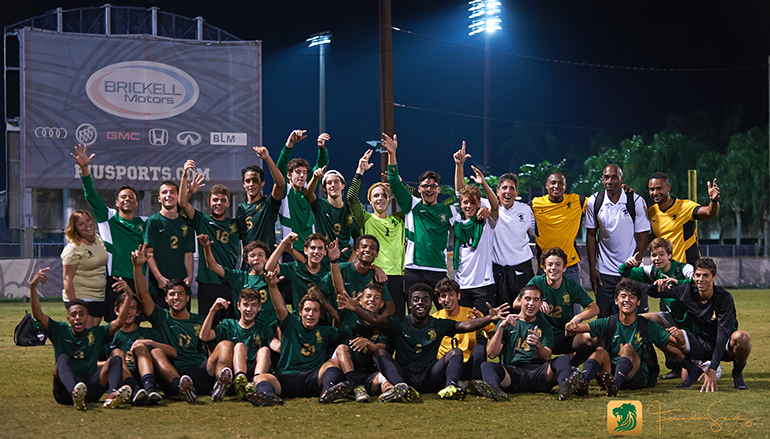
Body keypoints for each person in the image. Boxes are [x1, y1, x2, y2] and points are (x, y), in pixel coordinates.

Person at [336, 282, 509, 401]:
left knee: (455, 352)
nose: (421, 303)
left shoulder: (439, 324)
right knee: (379, 353)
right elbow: (374, 318)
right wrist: (355, 308)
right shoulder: (400, 322)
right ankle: (400, 388)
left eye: (425, 300)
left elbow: (465, 325)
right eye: (416, 299)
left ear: (430, 305)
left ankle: (450, 388)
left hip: (430, 376)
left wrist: (489, 318)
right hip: (404, 375)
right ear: (410, 304)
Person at [566, 279, 703, 395]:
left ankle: (615, 386)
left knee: (628, 348)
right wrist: (571, 325)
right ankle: (583, 384)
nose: (627, 300)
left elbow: (673, 343)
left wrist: (679, 338)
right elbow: (580, 328)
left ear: (638, 302)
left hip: (636, 377)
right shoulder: (609, 322)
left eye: (632, 297)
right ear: (616, 301)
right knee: (599, 351)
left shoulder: (646, 325)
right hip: (609, 374)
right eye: (623, 296)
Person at [30, 267, 133, 410]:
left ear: (87, 317)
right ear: (68, 318)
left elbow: (119, 322)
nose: (77, 318)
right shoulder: (59, 330)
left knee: (116, 360)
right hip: (64, 394)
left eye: (81, 314)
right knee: (62, 359)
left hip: (90, 389)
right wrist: (33, 287)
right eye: (74, 315)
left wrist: (128, 295)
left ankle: (112, 396)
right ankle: (74, 392)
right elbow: (39, 316)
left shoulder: (96, 333)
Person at [647, 258, 752, 392]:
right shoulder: (687, 291)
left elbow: (723, 333)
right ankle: (692, 369)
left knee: (742, 337)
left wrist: (713, 368)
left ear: (714, 277)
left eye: (705, 275)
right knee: (660, 335)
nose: (701, 279)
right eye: (698, 275)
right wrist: (657, 284)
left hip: (723, 346)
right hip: (699, 343)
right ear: (693, 276)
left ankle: (737, 373)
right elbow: (652, 293)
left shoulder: (724, 298)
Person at [248, 271, 350, 406]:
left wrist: (349, 310)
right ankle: (268, 396)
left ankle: (328, 391)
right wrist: (272, 286)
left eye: (315, 310)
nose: (310, 314)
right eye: (307, 310)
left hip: (313, 378)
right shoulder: (290, 323)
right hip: (288, 377)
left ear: (320, 314)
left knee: (333, 363)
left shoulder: (326, 331)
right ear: (300, 312)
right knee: (260, 378)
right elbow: (279, 307)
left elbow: (347, 333)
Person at [131, 244, 215, 403]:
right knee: (156, 352)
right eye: (172, 295)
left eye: (180, 294)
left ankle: (222, 384)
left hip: (199, 372)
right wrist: (137, 267)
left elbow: (211, 350)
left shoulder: (201, 320)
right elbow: (142, 294)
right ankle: (180, 387)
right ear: (166, 299)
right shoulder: (161, 317)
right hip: (171, 375)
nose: (176, 298)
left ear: (188, 298)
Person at [72, 144, 146, 321]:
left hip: (138, 279)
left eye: (131, 197)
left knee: (134, 321)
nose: (127, 199)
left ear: (136, 203)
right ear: (117, 202)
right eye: (123, 197)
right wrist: (84, 168)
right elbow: (90, 194)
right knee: (115, 322)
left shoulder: (145, 222)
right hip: (114, 279)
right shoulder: (108, 217)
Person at [382, 133, 460, 294]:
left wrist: (459, 166)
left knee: (442, 313)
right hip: (413, 269)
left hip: (438, 269)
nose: (429, 189)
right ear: (419, 189)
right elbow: (394, 182)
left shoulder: (448, 211)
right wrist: (392, 153)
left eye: (432, 186)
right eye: (425, 186)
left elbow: (465, 202)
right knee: (414, 313)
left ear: (438, 190)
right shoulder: (412, 204)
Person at [476, 284, 582, 401]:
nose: (531, 303)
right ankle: (495, 390)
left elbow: (547, 357)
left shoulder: (545, 327)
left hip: (538, 374)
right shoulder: (507, 324)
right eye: (527, 299)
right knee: (487, 365)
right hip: (512, 374)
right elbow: (491, 354)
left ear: (541, 304)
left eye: (536, 300)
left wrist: (538, 345)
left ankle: (565, 387)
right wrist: (500, 327)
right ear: (519, 301)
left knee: (563, 359)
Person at [620, 237, 694, 380]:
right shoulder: (653, 271)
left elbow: (696, 283)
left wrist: (677, 282)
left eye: (661, 254)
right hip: (671, 316)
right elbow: (624, 272)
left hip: (692, 321)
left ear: (670, 255)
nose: (657, 258)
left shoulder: (684, 268)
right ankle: (651, 367)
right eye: (654, 255)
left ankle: (693, 362)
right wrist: (628, 264)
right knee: (642, 322)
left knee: (689, 378)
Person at [585, 164, 651, 317]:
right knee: (604, 320)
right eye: (606, 177)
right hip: (604, 272)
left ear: (622, 179)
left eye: (614, 177)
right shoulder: (594, 201)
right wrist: (592, 269)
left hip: (631, 271)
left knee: (637, 319)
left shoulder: (635, 201)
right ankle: (604, 342)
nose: (610, 181)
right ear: (602, 179)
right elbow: (590, 235)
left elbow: (643, 237)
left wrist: (632, 270)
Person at [179, 159, 239, 324]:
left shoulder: (235, 224)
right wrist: (185, 176)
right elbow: (182, 203)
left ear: (228, 203)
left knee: (229, 325)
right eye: (215, 200)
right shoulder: (201, 220)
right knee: (207, 324)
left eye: (222, 200)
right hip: (207, 282)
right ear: (209, 202)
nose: (218, 203)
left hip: (228, 281)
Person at [347, 149, 407, 315]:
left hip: (398, 277)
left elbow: (416, 199)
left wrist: (398, 184)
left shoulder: (400, 218)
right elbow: (351, 198)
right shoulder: (366, 218)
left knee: (398, 320)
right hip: (375, 274)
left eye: (384, 195)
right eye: (376, 196)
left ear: (390, 199)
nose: (380, 198)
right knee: (374, 318)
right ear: (370, 200)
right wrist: (360, 171)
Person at [525, 247, 599, 366]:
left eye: (558, 264)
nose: (554, 268)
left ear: (564, 268)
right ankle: (537, 367)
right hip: (541, 336)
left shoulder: (571, 286)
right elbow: (516, 303)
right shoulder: (537, 282)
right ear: (544, 268)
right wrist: (536, 302)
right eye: (550, 264)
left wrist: (577, 318)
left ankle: (572, 367)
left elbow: (595, 308)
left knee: (594, 338)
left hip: (565, 334)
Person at [198, 291, 276, 402]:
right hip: (230, 372)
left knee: (265, 350)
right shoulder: (228, 325)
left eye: (253, 305)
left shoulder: (263, 328)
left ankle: (256, 384)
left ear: (259, 307)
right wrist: (213, 310)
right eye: (246, 305)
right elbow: (204, 337)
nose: (249, 309)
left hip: (252, 372)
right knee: (237, 346)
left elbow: (276, 345)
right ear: (238, 306)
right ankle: (232, 380)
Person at [105, 289, 175, 405]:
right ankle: (136, 391)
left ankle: (150, 390)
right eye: (125, 307)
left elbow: (173, 352)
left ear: (138, 312)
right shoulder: (110, 335)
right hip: (123, 376)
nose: (129, 312)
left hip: (145, 374)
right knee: (116, 353)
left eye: (132, 308)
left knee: (140, 346)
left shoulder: (148, 333)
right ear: (116, 311)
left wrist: (151, 343)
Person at [453, 142, 499, 314]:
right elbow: (460, 192)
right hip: (461, 284)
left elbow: (495, 207)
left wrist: (484, 184)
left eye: (473, 202)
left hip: (483, 284)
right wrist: (459, 165)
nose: (469, 205)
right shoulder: (457, 220)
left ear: (479, 203)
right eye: (466, 202)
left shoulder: (486, 220)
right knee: (463, 328)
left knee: (481, 327)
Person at [333, 283, 391, 402]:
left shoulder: (381, 323)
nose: (372, 300)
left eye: (376, 297)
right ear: (360, 300)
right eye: (368, 296)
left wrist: (368, 343)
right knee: (341, 348)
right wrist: (333, 263)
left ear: (381, 304)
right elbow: (339, 289)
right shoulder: (348, 314)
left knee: (384, 378)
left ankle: (392, 393)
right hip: (347, 374)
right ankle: (357, 388)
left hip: (369, 375)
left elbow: (381, 347)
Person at [198, 235, 273, 327]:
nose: (256, 258)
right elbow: (213, 266)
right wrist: (206, 247)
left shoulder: (273, 277)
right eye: (252, 256)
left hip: (269, 329)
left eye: (260, 255)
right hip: (245, 329)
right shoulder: (238, 277)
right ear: (247, 260)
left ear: (266, 259)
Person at [647, 172, 720, 264]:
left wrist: (714, 200)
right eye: (652, 189)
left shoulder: (684, 207)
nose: (655, 192)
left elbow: (709, 213)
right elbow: (654, 235)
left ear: (668, 187)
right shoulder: (651, 212)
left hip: (687, 267)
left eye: (659, 188)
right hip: (666, 269)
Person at [431, 278, 495, 383]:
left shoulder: (471, 314)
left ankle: (476, 382)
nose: (447, 300)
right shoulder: (434, 319)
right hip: (447, 366)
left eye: (451, 295)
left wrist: (483, 324)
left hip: (468, 365)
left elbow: (494, 334)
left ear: (458, 296)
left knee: (480, 342)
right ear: (438, 299)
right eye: (443, 296)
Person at [144, 180, 195, 309]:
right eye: (164, 192)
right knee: (161, 325)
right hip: (160, 285)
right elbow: (148, 254)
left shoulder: (186, 223)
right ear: (159, 198)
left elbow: (188, 253)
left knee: (183, 324)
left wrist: (189, 276)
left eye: (173, 192)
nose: (168, 195)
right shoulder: (153, 221)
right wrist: (159, 277)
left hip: (181, 283)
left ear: (178, 196)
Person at [278, 131, 330, 254]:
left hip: (310, 249)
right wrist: (289, 144)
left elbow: (321, 166)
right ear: (289, 175)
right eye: (298, 172)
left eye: (305, 172)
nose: (302, 176)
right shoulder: (285, 190)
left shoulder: (308, 189)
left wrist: (322, 148)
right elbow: (280, 167)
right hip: (290, 249)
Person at [491, 172, 536, 309]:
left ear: (516, 192)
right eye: (504, 188)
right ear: (497, 191)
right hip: (498, 273)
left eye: (511, 188)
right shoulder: (490, 210)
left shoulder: (526, 210)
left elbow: (539, 233)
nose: (507, 191)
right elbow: (461, 195)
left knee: (525, 313)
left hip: (523, 271)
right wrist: (459, 165)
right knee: (501, 314)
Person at [530, 172, 586, 283]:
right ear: (547, 185)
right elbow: (514, 211)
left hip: (570, 266)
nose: (556, 186)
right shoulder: (535, 204)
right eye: (553, 183)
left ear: (565, 186)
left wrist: (620, 191)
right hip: (545, 267)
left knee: (573, 300)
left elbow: (600, 203)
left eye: (560, 183)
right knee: (544, 300)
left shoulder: (576, 201)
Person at [323, 235, 396, 317]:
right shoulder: (341, 268)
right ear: (357, 251)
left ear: (377, 254)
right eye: (364, 246)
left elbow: (390, 306)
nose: (368, 250)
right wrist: (333, 313)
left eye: (372, 248)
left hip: (366, 325)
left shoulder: (376, 276)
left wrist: (377, 322)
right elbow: (320, 292)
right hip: (343, 324)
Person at [61, 209, 109, 328]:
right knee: (85, 335)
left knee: (92, 335)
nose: (87, 225)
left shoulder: (98, 239)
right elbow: (67, 279)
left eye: (88, 220)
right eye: (81, 224)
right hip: (81, 296)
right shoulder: (73, 248)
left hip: (99, 297)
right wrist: (74, 305)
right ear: (75, 229)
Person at [265, 232, 331, 314]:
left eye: (320, 248)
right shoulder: (296, 268)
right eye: (313, 248)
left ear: (325, 252)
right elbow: (269, 268)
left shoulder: (330, 270)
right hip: (299, 322)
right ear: (305, 250)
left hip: (325, 323)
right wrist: (283, 244)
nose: (316, 251)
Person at [236, 146, 286, 254]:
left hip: (267, 265)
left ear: (262, 183)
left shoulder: (268, 204)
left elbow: (280, 185)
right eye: (248, 181)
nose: (251, 184)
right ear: (243, 184)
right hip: (248, 266)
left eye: (255, 180)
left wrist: (267, 158)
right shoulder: (241, 208)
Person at [305, 166, 359, 261]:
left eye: (336, 182)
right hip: (324, 262)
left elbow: (358, 239)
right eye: (329, 183)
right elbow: (308, 193)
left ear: (343, 185)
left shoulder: (350, 210)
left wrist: (350, 262)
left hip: (345, 261)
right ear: (325, 188)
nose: (333, 185)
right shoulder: (320, 205)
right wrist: (315, 178)